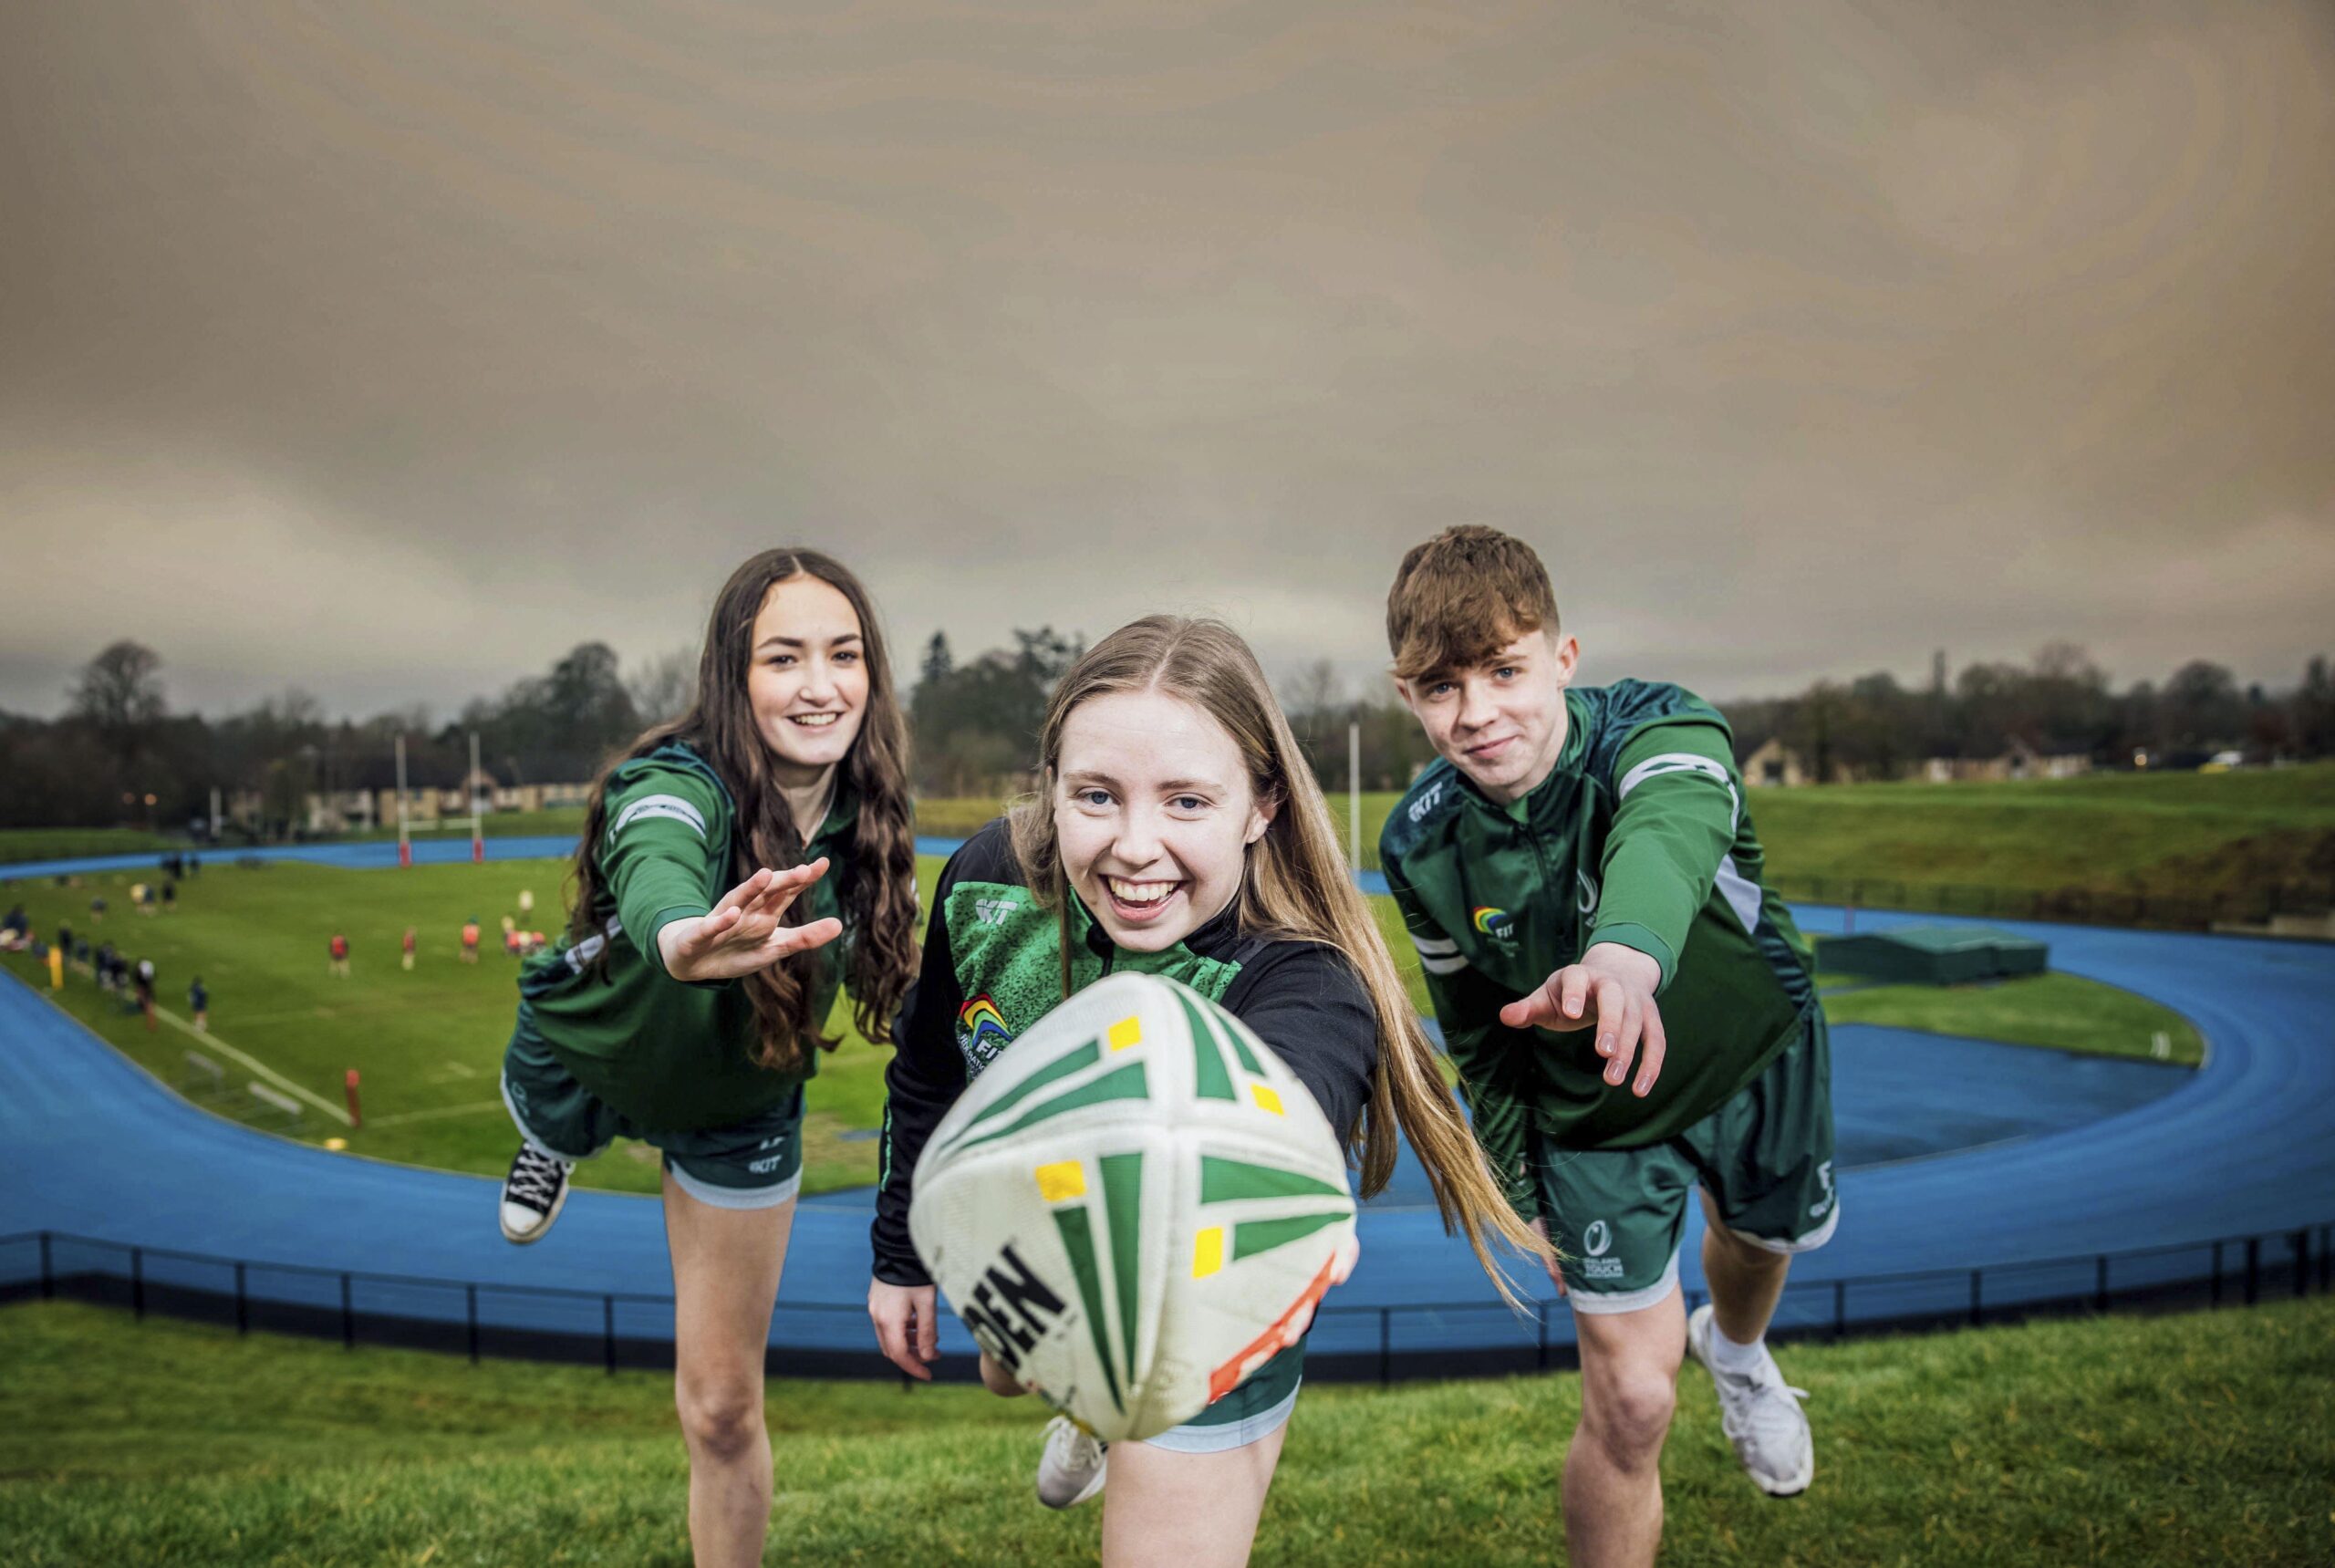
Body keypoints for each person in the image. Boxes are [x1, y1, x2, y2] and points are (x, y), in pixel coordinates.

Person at [870, 616, 1544, 1567]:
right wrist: (900, 1253)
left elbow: (1288, 1102)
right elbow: (929, 1067)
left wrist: (1280, 1168)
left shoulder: (1305, 982)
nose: (1135, 847)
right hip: (1048, 1212)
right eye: (1096, 796)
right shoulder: (988, 882)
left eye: (1186, 801)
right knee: (1000, 1374)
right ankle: (1094, 1396)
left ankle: (1123, 1386)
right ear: (1050, 787)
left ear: (1261, 806)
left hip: (1213, 1287)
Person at [1376, 526, 1835, 1564]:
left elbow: (1665, 830)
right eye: (1442, 687)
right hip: (1591, 1122)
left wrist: (1624, 957)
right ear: (1407, 697)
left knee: (1762, 1247)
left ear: (1563, 658)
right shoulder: (1417, 842)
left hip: (1753, 1061)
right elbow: (1471, 1025)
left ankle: (1741, 1347)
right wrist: (1507, 1172)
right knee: (1631, 1402)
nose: (1478, 712)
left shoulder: (1661, 725)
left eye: (1503, 670)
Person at [493, 548, 919, 1568]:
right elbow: (655, 852)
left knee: (723, 1409)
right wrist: (682, 934)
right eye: (783, 658)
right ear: (733, 679)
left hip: (741, 1100)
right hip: (593, 1052)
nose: (820, 686)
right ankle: (549, 1137)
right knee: (557, 1104)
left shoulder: (870, 820)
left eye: (843, 654)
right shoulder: (674, 781)